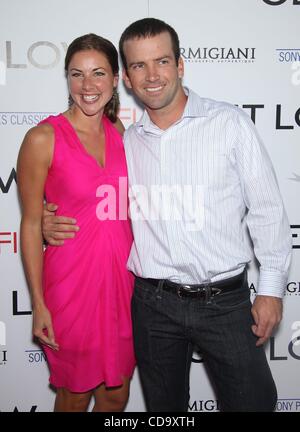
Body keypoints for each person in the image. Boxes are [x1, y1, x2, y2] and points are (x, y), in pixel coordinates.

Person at [42, 19, 292, 412]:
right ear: (126, 77)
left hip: (224, 303)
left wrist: (272, 290)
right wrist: (45, 218)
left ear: (180, 65)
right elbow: (96, 198)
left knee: (254, 404)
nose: (152, 75)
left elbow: (268, 212)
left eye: (161, 61)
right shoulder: (127, 141)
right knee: (163, 411)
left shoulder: (229, 124)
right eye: (139, 66)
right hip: (152, 305)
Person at [17, 33, 135, 412]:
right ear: (67, 79)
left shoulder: (122, 135)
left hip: (124, 284)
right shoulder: (42, 138)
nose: (88, 86)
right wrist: (38, 303)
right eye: (77, 74)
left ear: (115, 80)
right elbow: (32, 224)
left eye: (99, 73)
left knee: (117, 393)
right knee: (76, 392)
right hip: (71, 286)